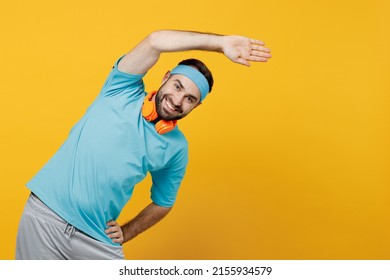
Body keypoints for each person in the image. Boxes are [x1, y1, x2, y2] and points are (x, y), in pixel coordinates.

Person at [15, 30, 271, 260]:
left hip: (95, 239)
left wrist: (126, 232)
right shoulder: (121, 88)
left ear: (196, 106)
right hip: (46, 219)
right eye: (177, 86)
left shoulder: (177, 148)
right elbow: (155, 41)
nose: (177, 100)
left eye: (189, 98)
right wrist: (220, 43)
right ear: (166, 77)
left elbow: (164, 202)